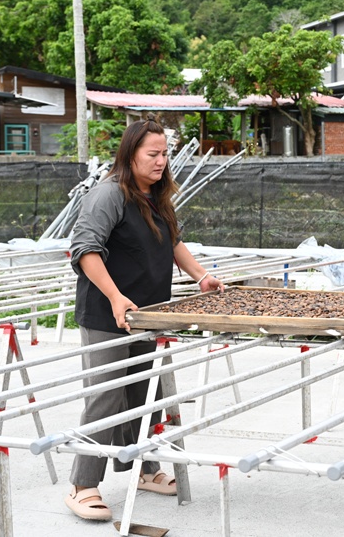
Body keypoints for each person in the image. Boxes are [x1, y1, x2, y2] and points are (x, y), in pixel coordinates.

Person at [64, 117, 224, 522]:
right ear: (130, 153)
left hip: (149, 313)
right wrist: (117, 297)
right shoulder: (108, 195)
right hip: (109, 313)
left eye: (165, 153)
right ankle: (83, 486)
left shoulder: (156, 197)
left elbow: (173, 243)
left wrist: (201, 276)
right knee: (107, 395)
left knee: (145, 394)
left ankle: (144, 469)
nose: (161, 161)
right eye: (153, 154)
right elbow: (85, 250)